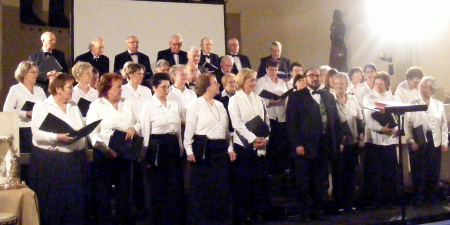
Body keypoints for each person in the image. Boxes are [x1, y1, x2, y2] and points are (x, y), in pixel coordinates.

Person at [29, 73, 88, 225]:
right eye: (69, 87)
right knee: (55, 204)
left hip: (74, 161)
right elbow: (37, 134)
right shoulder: (42, 106)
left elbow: (80, 127)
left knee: (75, 204)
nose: (72, 90)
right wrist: (57, 137)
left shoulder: (73, 106)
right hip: (54, 163)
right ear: (58, 89)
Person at [286, 68, 342, 222]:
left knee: (320, 180)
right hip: (305, 146)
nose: (316, 78)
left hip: (324, 145)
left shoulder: (328, 96)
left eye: (318, 75)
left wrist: (338, 141)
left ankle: (319, 210)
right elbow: (292, 123)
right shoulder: (296, 97)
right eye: (312, 76)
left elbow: (335, 120)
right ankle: (305, 212)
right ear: (305, 78)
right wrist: (297, 144)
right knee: (304, 181)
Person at [86, 73, 141, 225]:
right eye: (118, 87)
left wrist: (133, 128)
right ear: (108, 89)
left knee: (124, 189)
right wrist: (105, 149)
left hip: (125, 153)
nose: (121, 90)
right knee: (103, 190)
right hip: (105, 153)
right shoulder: (96, 106)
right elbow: (93, 132)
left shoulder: (127, 103)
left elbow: (138, 122)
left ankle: (124, 219)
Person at [184, 73, 235, 224]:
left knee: (221, 186)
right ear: (207, 86)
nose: (218, 85)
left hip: (220, 149)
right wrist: (189, 151)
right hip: (205, 149)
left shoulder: (219, 105)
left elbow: (226, 131)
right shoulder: (195, 104)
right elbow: (189, 131)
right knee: (204, 187)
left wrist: (230, 148)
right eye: (215, 83)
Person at [139, 73, 184, 225]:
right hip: (156, 146)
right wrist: (145, 155)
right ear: (153, 88)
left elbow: (177, 129)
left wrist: (180, 147)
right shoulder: (148, 106)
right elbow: (145, 132)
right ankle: (156, 217)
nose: (166, 90)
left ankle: (171, 217)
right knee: (157, 185)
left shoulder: (173, 104)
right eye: (163, 87)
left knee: (173, 183)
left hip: (171, 145)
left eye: (168, 87)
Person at [228, 68, 270, 224]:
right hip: (243, 146)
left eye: (255, 80)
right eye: (251, 80)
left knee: (259, 180)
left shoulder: (259, 99)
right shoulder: (235, 100)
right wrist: (252, 139)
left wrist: (265, 138)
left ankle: (256, 212)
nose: (254, 83)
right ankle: (243, 214)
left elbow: (266, 122)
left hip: (260, 146)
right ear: (242, 81)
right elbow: (237, 124)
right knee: (244, 182)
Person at [405, 76, 448, 205]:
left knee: (433, 169)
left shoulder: (438, 104)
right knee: (418, 169)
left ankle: (431, 196)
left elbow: (443, 125)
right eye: (422, 87)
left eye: (426, 87)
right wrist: (411, 140)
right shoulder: (412, 103)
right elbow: (407, 124)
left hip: (434, 140)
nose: (424, 90)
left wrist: (445, 143)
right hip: (418, 140)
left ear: (432, 89)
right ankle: (419, 197)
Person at [3, 61, 46, 183]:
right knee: (26, 161)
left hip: (37, 128)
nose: (36, 74)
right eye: (33, 72)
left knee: (38, 160)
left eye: (37, 72)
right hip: (23, 130)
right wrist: (26, 113)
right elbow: (8, 110)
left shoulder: (39, 90)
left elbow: (47, 106)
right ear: (24, 73)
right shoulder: (15, 89)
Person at [362, 72, 399, 209]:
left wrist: (393, 129)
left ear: (387, 85)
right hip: (374, 141)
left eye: (381, 84)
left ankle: (389, 200)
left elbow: (397, 117)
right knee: (375, 173)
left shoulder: (393, 98)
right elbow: (368, 119)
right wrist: (381, 128)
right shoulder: (368, 98)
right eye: (376, 84)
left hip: (389, 141)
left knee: (389, 172)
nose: (378, 86)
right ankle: (375, 201)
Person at [332, 72, 364, 214]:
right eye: (337, 83)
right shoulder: (330, 100)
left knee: (351, 174)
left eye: (342, 83)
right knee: (339, 174)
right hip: (339, 143)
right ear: (333, 85)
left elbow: (360, 117)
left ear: (347, 85)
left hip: (353, 142)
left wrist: (361, 130)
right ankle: (339, 203)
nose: (339, 86)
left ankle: (350, 203)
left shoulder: (353, 99)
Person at [254, 59, 289, 174]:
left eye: (275, 69)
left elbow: (287, 97)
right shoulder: (261, 81)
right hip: (269, 116)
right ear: (266, 69)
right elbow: (257, 98)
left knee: (280, 143)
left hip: (281, 115)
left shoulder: (282, 83)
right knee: (270, 142)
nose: (273, 72)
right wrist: (271, 101)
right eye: (271, 69)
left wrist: (282, 99)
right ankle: (269, 169)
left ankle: (279, 169)